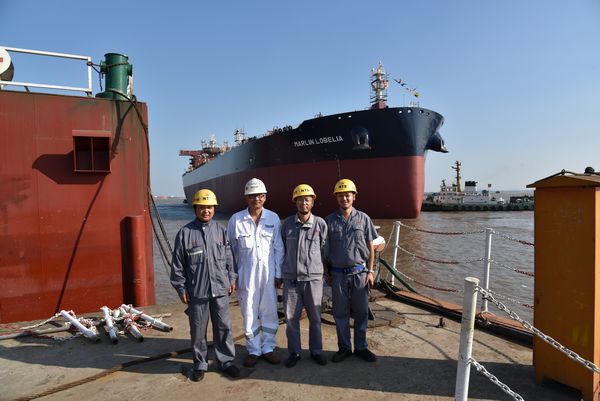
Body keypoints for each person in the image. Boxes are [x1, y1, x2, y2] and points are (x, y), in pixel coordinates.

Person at [170, 189, 240, 382]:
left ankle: (226, 361)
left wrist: (232, 278)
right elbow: (177, 265)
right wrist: (181, 288)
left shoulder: (221, 231)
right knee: (198, 330)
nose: (206, 211)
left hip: (220, 289)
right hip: (197, 292)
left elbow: (229, 258)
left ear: (214, 208)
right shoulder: (185, 234)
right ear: (195, 209)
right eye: (202, 207)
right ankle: (200, 364)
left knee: (224, 327)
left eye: (209, 207)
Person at [227, 178, 284, 367]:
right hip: (246, 275)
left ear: (265, 197)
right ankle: (253, 350)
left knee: (269, 312)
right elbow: (230, 251)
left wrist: (278, 274)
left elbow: (279, 248)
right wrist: (232, 276)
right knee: (249, 311)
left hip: (269, 275)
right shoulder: (236, 220)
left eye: (259, 195)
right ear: (246, 198)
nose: (256, 199)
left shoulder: (273, 218)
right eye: (252, 196)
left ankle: (268, 348)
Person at [324, 179, 378, 363]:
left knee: (361, 312)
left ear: (354, 196)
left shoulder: (364, 218)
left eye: (347, 195)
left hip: (359, 274)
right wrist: (327, 273)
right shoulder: (329, 221)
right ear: (336, 198)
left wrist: (370, 271)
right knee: (340, 313)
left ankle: (361, 347)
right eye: (340, 196)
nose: (344, 198)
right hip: (338, 275)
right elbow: (325, 249)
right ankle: (344, 348)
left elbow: (371, 247)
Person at [278, 184, 328, 368]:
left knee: (315, 318)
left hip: (313, 280)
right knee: (291, 319)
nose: (303, 203)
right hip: (291, 280)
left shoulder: (320, 224)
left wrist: (324, 273)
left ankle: (316, 351)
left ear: (312, 202)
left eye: (307, 199)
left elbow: (325, 251)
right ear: (295, 202)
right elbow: (281, 250)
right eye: (300, 199)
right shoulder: (287, 225)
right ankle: (295, 352)